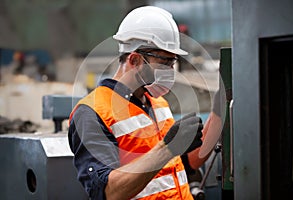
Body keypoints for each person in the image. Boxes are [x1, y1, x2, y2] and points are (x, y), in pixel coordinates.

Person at [68, 6, 204, 200]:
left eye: (172, 63)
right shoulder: (92, 112)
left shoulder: (158, 103)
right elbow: (108, 192)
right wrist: (168, 148)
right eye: (165, 62)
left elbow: (180, 166)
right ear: (135, 60)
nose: (170, 71)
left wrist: (219, 115)